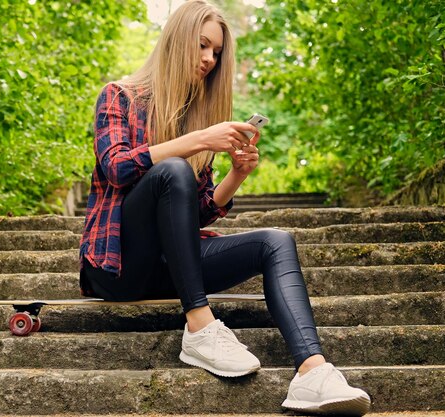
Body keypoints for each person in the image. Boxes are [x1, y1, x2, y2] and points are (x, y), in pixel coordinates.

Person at [78, 1, 371, 415]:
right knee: (173, 171)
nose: (208, 60)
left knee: (276, 242)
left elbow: (191, 215)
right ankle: (199, 325)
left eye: (215, 53)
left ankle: (312, 372)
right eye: (202, 46)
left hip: (172, 267)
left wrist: (236, 175)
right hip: (118, 266)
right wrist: (197, 141)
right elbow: (117, 166)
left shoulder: (193, 122)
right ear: (177, 40)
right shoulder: (119, 96)